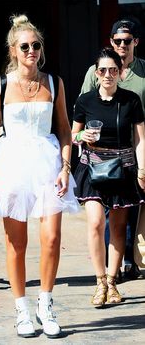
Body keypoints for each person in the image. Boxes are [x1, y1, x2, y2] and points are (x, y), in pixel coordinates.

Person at [0, 14, 79, 338]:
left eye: (36, 45)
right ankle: (22, 309)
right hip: (12, 164)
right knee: (16, 243)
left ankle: (45, 303)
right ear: (13, 50)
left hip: (49, 164)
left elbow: (64, 131)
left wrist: (65, 168)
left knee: (51, 238)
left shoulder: (55, 83)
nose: (31, 51)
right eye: (25, 46)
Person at [72, 47, 145, 307]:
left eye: (113, 70)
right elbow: (72, 135)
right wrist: (82, 137)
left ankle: (113, 282)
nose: (107, 75)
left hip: (123, 168)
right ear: (96, 72)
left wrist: (142, 169)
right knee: (94, 224)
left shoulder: (131, 100)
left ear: (121, 72)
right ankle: (100, 280)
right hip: (92, 167)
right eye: (102, 70)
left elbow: (140, 139)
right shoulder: (85, 101)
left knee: (117, 227)